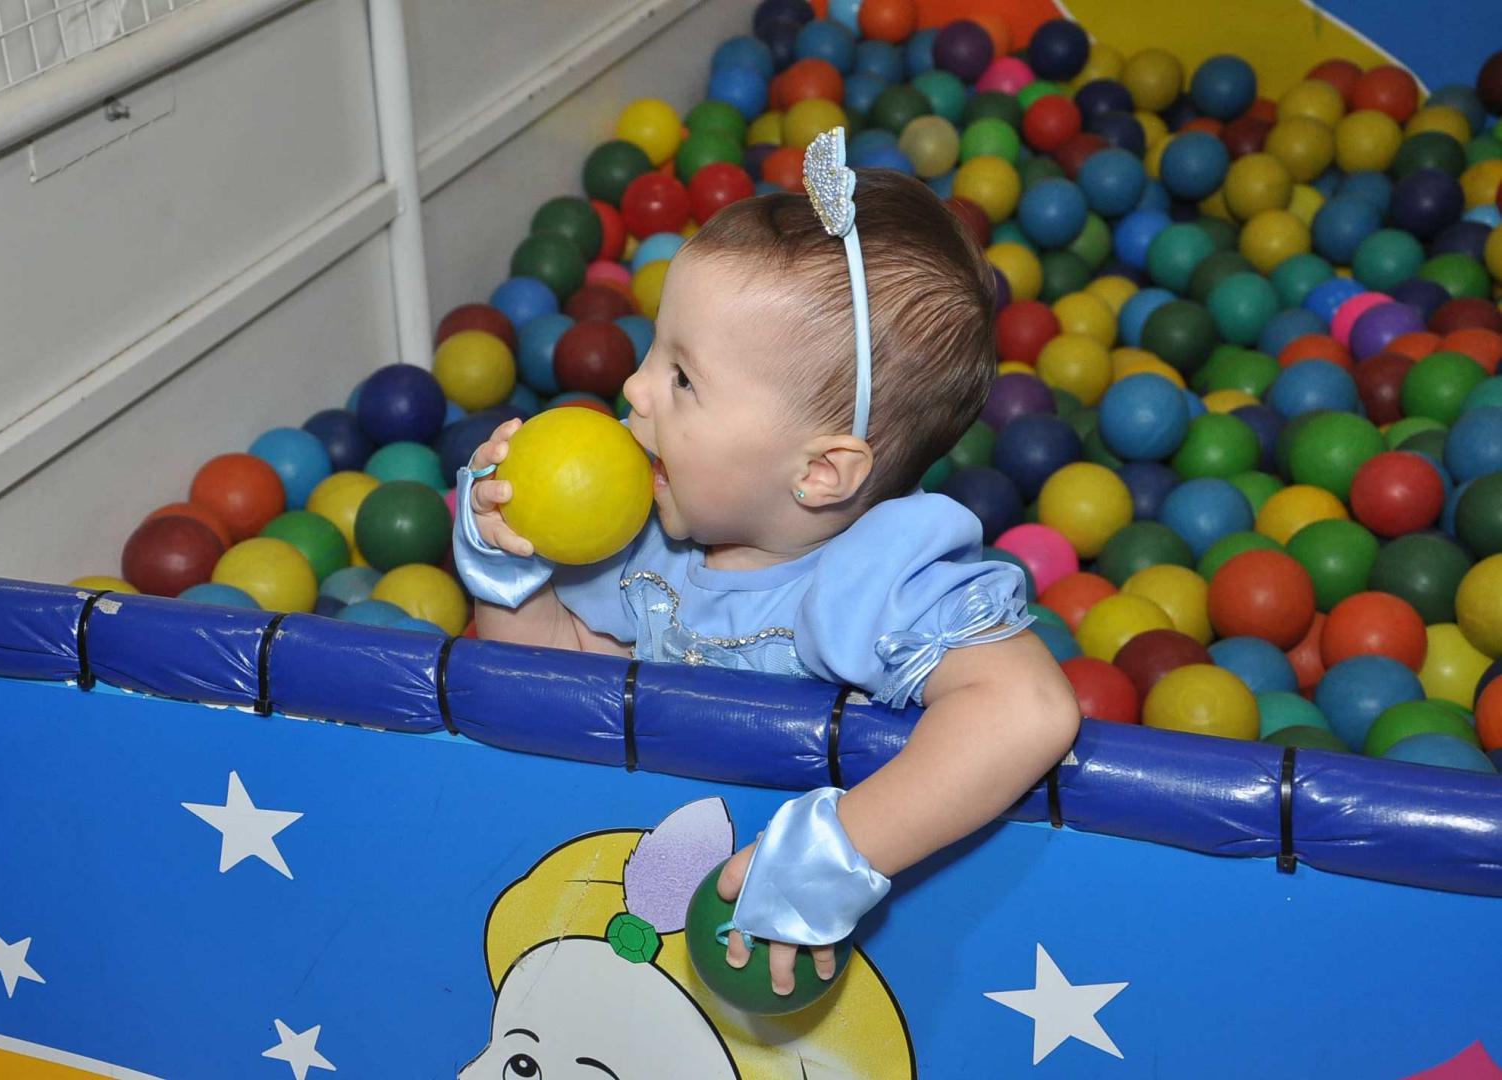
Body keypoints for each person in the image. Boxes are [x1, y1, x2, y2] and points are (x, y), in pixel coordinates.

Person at [453, 127, 1080, 1000]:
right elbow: (550, 697)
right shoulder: (650, 548)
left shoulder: (875, 585)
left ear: (819, 472)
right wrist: (510, 570)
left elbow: (1028, 709)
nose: (633, 389)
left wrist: (840, 854)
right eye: (654, 350)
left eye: (683, 379)